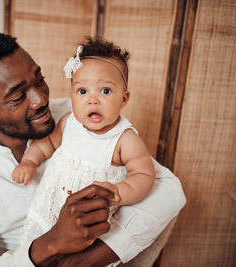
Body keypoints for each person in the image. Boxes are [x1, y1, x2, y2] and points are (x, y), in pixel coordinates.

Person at [0, 31, 186, 267]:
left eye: (39, 80)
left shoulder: (82, 115)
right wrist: (53, 242)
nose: (40, 100)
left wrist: (85, 260)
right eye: (17, 97)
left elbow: (168, 190)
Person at [13, 38, 157, 248]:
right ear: (72, 95)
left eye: (105, 91)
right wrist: (29, 162)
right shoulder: (69, 123)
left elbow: (144, 175)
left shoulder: (124, 139)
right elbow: (47, 144)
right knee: (39, 247)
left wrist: (118, 191)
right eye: (82, 91)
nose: (93, 100)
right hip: (50, 209)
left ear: (124, 99)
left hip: (89, 222)